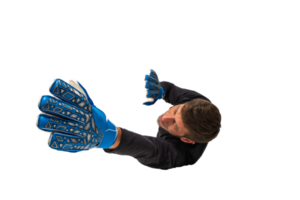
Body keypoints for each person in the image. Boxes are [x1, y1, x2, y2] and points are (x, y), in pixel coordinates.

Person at [35, 67, 222, 172]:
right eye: (176, 110)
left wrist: (111, 136)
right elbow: (174, 90)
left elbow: (151, 149)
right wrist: (160, 91)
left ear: (186, 140)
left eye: (175, 125)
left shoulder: (179, 157)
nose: (167, 116)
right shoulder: (198, 100)